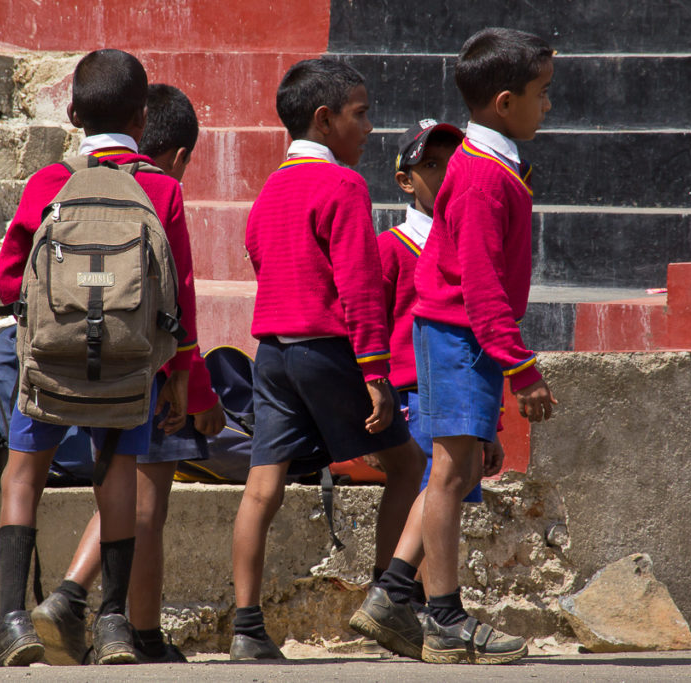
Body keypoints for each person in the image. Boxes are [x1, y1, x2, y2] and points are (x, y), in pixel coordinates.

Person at [0, 51, 200, 668]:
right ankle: (111, 624)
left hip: (51, 363)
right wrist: (182, 372)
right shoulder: (160, 188)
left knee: (22, 476)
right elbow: (178, 292)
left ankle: (9, 623)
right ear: (141, 118)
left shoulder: (48, 184)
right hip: (129, 371)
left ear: (73, 112)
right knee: (117, 482)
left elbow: (8, 282)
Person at [230, 57, 423, 661]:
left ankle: (246, 627)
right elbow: (360, 286)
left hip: (272, 355)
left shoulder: (269, 190)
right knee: (408, 465)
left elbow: (259, 254)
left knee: (262, 487)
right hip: (328, 351)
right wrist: (375, 373)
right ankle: (388, 604)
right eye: (360, 114)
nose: (368, 126)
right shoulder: (343, 185)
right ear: (324, 118)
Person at [28, 83, 226, 666]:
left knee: (129, 498)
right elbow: (179, 297)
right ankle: (107, 612)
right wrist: (197, 386)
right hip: (153, 373)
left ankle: (115, 617)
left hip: (73, 358)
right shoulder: (159, 191)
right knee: (146, 503)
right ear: (181, 155)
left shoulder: (66, 182)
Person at [416, 27, 556, 664]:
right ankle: (442, 616)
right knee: (447, 475)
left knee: (460, 467)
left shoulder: (491, 167)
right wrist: (522, 373)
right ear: (505, 102)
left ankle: (403, 594)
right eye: (542, 93)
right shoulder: (480, 178)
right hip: (458, 334)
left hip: (464, 338)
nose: (548, 106)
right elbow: (479, 285)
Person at [350, 118, 506, 660]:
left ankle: (397, 596)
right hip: (412, 390)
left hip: (455, 386)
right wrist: (376, 388)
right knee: (441, 483)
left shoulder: (463, 237)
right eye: (430, 165)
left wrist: (492, 422)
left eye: (449, 162)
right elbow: (369, 321)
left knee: (449, 484)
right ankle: (412, 600)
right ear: (405, 180)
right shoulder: (392, 247)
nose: (442, 174)